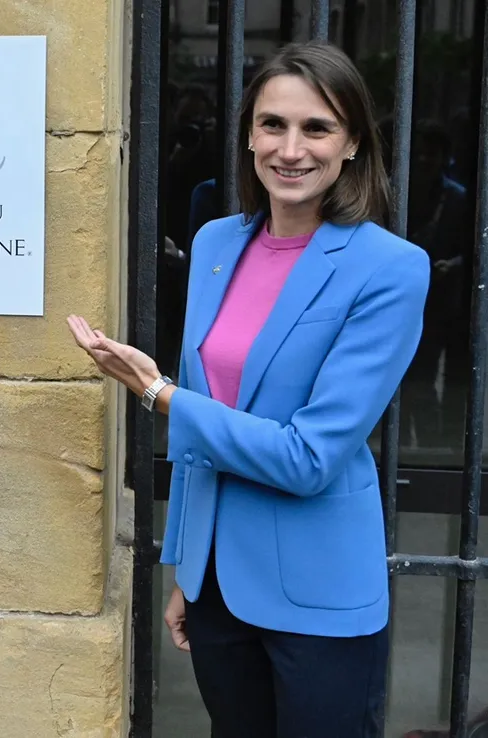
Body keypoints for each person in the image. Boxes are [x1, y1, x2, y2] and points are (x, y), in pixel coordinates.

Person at [69, 41, 429, 737]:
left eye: (316, 128)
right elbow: (213, 429)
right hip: (218, 588)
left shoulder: (391, 269)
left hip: (319, 593)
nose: (291, 149)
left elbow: (308, 458)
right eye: (272, 125)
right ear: (248, 135)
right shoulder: (214, 243)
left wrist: (159, 394)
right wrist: (187, 565)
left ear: (352, 143)